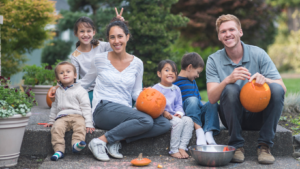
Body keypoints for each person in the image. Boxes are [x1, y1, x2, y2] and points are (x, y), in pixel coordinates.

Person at [76, 20, 170, 161]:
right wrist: (61, 88)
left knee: (164, 124)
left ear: (127, 37)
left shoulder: (137, 63)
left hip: (125, 110)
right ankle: (99, 141)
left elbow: (135, 92)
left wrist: (149, 98)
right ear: (108, 40)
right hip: (103, 108)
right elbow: (84, 82)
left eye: (120, 36)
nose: (116, 41)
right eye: (112, 37)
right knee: (146, 121)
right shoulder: (99, 59)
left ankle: (116, 139)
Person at [206, 14, 286, 164]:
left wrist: (265, 80)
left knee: (275, 89)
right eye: (223, 31)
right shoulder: (213, 60)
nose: (228, 34)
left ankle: (265, 146)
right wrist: (228, 80)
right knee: (230, 89)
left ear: (240, 32)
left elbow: (282, 88)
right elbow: (211, 98)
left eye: (231, 29)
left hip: (259, 116)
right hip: (231, 116)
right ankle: (236, 146)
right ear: (219, 36)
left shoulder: (258, 54)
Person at [51, 8, 125, 106]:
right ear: (76, 33)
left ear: (94, 32)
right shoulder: (75, 56)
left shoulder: (101, 46)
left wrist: (117, 25)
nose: (85, 34)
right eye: (82, 31)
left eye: (88, 31)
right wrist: (58, 87)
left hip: (107, 88)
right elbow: (73, 80)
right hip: (89, 92)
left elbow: (116, 43)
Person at [44, 61, 95, 161]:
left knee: (80, 127)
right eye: (61, 73)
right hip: (61, 116)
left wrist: (89, 123)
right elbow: (54, 106)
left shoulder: (81, 91)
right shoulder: (57, 91)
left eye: (68, 71)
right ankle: (58, 150)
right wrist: (51, 121)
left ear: (75, 75)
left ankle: (76, 144)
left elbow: (86, 107)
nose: (65, 74)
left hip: (78, 116)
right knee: (56, 129)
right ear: (58, 78)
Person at [173, 52, 220, 146]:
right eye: (198, 72)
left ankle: (208, 133)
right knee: (192, 100)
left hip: (197, 115)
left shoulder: (193, 81)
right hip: (187, 117)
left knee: (212, 102)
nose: (198, 76)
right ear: (189, 67)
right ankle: (199, 132)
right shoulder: (175, 82)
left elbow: (198, 101)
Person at [152, 60, 194, 159]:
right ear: (159, 73)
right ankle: (174, 150)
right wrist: (163, 112)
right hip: (162, 117)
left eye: (173, 71)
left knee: (188, 120)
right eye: (167, 70)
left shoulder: (176, 89)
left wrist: (179, 113)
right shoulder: (156, 89)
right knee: (178, 123)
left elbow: (179, 104)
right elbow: (153, 105)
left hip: (173, 115)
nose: (171, 73)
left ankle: (182, 147)